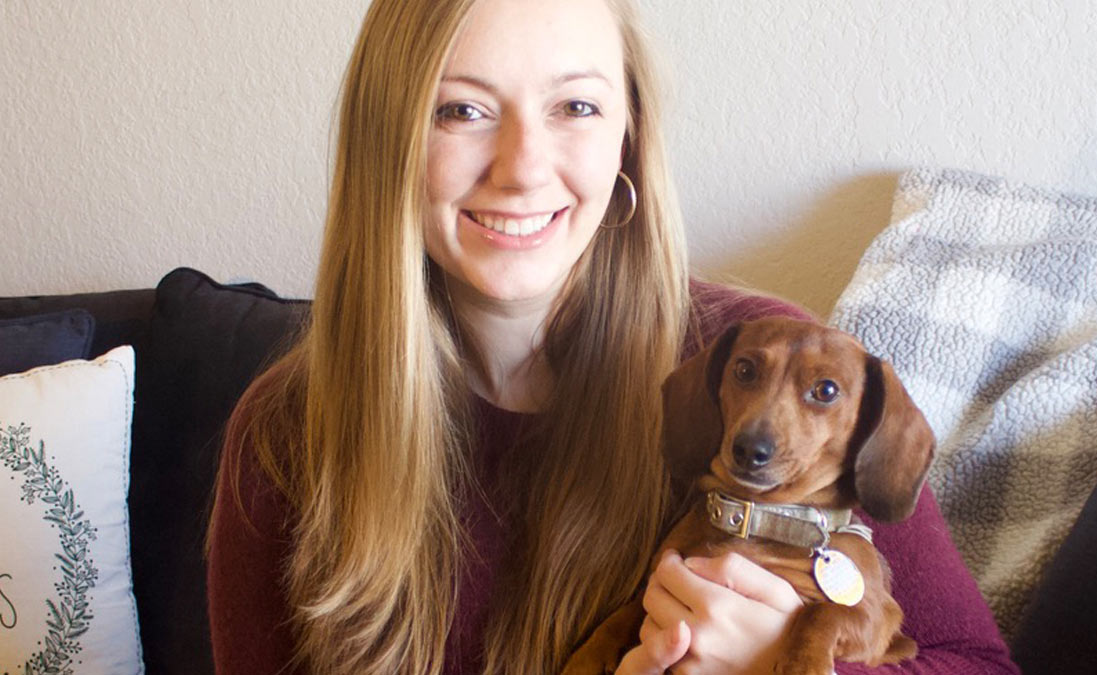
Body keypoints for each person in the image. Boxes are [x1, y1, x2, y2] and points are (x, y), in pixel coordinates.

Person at [205, 0, 1020, 673]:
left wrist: (784, 659)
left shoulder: (761, 362)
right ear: (390, 143)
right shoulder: (287, 430)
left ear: (628, 134)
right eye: (462, 109)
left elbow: (977, 662)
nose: (523, 166)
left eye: (576, 106)